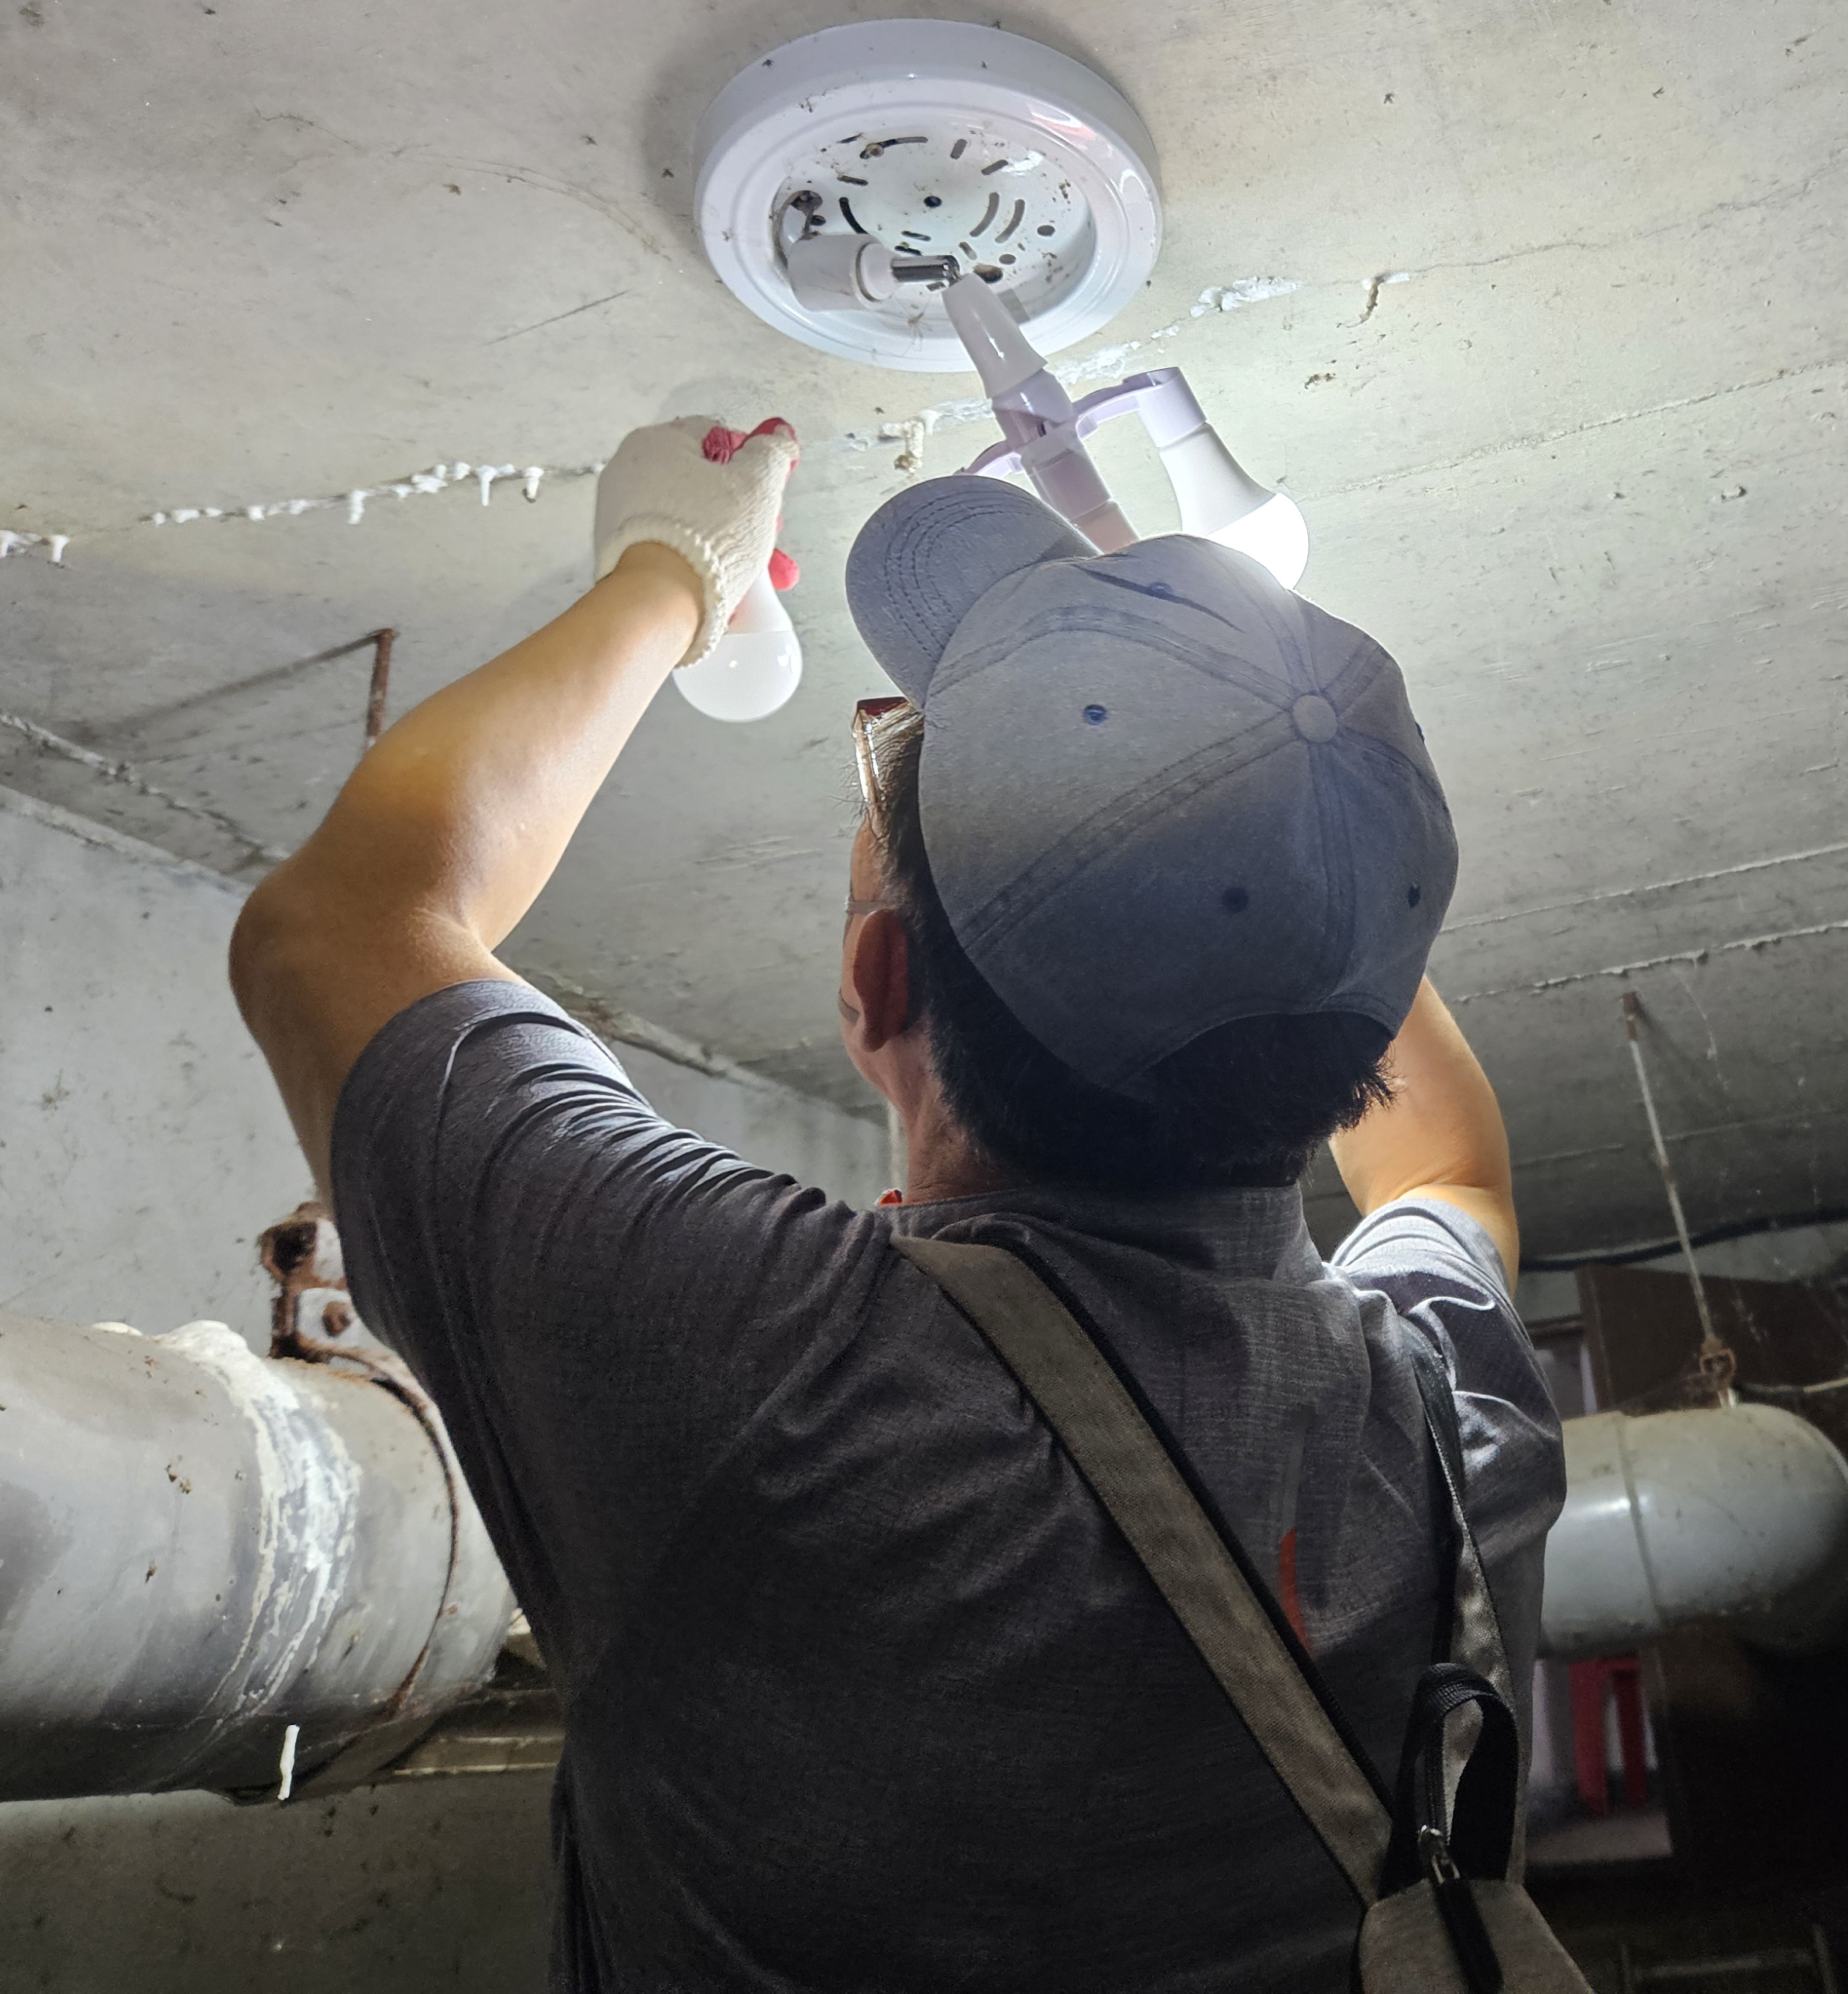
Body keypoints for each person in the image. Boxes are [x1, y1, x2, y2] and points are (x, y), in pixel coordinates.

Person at [229, 414, 1565, 1990]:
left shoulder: (762, 1373)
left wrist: (675, 568)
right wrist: (1258, 777)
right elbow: (1442, 1166)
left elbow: (346, 919)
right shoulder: (1443, 1404)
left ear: (877, 983)